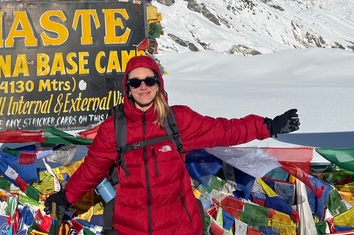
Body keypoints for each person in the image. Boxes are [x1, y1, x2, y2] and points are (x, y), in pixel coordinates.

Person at [45, 55, 300, 235]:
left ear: (159, 83)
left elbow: (225, 130)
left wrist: (267, 126)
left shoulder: (177, 120)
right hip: (132, 228)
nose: (143, 87)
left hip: (181, 226)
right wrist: (66, 197)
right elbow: (93, 169)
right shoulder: (115, 129)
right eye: (135, 82)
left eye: (149, 80)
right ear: (128, 89)